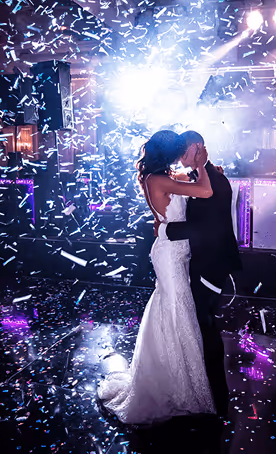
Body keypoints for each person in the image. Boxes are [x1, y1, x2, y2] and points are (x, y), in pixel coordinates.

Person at [97, 130, 216, 424]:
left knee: (174, 308)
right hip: (170, 254)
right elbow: (205, 191)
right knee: (176, 309)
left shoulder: (163, 176)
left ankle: (178, 378)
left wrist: (201, 168)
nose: (180, 155)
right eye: (178, 150)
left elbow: (182, 192)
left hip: (176, 249)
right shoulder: (159, 179)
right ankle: (176, 385)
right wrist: (202, 165)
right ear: (168, 153)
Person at [155, 130, 242, 417]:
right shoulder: (203, 176)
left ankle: (216, 395)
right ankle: (206, 387)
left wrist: (166, 230)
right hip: (202, 261)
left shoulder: (212, 180)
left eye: (184, 152)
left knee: (206, 326)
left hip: (210, 265)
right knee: (201, 324)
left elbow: (207, 229)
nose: (180, 158)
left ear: (196, 148)